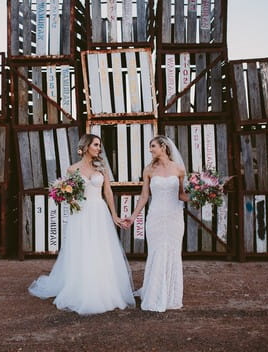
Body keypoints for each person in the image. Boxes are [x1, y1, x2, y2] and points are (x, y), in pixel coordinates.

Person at [29, 134, 135, 315]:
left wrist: (114, 215)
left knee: (100, 249)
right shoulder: (72, 169)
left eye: (99, 145)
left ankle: (103, 288)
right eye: (96, 145)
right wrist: (66, 196)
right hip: (81, 213)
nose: (99, 148)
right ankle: (81, 287)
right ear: (86, 147)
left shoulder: (102, 167)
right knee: (83, 249)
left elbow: (108, 192)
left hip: (99, 211)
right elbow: (69, 194)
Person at [125, 135, 189, 312]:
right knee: (157, 251)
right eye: (150, 147)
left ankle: (170, 295)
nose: (150, 150)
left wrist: (199, 197)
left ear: (163, 147)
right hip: (156, 216)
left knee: (172, 252)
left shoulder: (179, 169)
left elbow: (181, 194)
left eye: (153, 146)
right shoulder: (149, 170)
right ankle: (154, 294)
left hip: (174, 216)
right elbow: (144, 196)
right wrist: (133, 216)